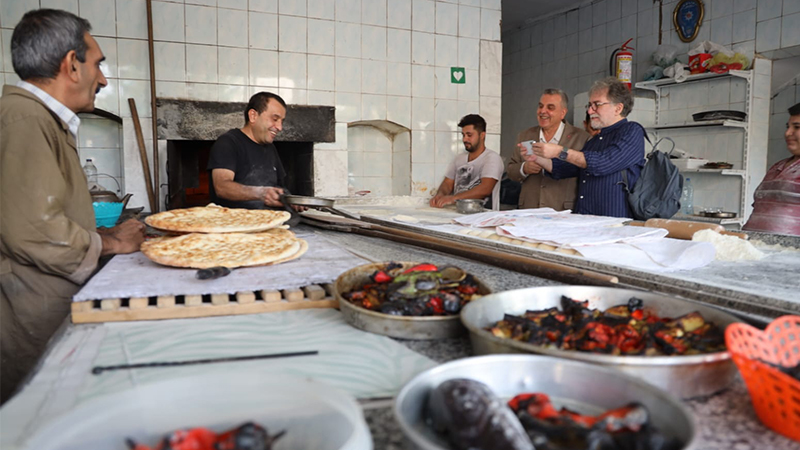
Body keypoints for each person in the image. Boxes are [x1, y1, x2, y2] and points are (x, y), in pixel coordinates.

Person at [1, 9, 145, 403]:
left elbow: (38, 213)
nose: (103, 78)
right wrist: (114, 245)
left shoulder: (40, 119)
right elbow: (36, 232)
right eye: (98, 64)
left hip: (43, 299)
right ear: (71, 64)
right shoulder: (25, 120)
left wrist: (103, 233)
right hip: (32, 311)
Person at [531, 77, 645, 218]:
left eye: (597, 105)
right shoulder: (594, 141)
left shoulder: (632, 131)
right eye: (589, 105)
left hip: (614, 222)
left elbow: (602, 163)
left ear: (618, 108)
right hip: (586, 220)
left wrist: (560, 150)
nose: (590, 111)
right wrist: (538, 159)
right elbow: (573, 167)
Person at [506, 89, 591, 210]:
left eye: (550, 108)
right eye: (540, 106)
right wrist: (524, 168)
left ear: (563, 113)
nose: (543, 111)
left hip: (563, 211)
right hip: (529, 209)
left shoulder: (581, 138)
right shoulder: (525, 136)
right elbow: (510, 170)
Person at [207, 92, 289, 209]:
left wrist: (291, 200)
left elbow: (280, 187)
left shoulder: (270, 147)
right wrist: (261, 193)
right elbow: (222, 187)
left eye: (282, 121)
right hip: (235, 221)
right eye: (275, 119)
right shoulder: (228, 143)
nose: (280, 127)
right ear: (253, 116)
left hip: (269, 218)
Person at [743, 102, 800, 235]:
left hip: (791, 253)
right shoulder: (777, 166)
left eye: (797, 127)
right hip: (756, 248)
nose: (787, 133)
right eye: (788, 127)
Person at [429, 114, 504, 210]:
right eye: (463, 135)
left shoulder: (492, 158)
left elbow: (485, 188)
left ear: (482, 135)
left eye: (469, 135)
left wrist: (453, 198)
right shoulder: (459, 159)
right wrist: (440, 195)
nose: (465, 139)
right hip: (458, 214)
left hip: (483, 216)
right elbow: (447, 183)